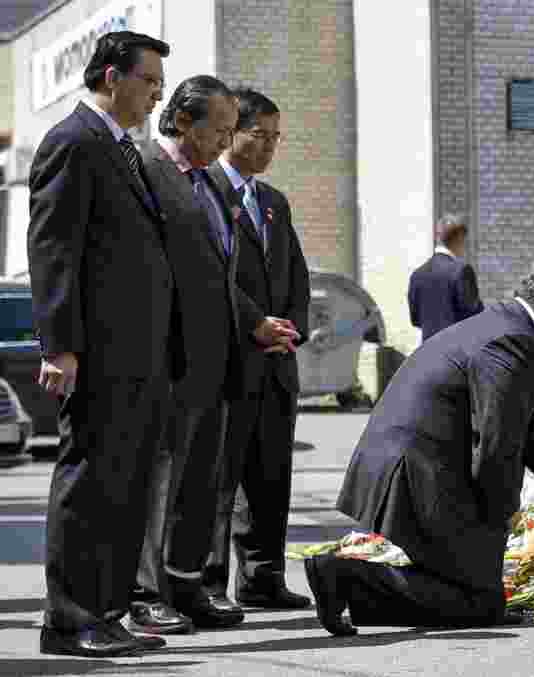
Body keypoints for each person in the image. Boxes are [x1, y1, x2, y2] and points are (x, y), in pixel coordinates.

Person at [306, 245, 534, 635]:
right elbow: (496, 443)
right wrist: (500, 517)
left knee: (470, 590)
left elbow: (530, 437)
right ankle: (342, 577)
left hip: (413, 462)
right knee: (477, 602)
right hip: (414, 471)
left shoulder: (507, 326)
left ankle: (345, 580)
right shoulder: (513, 340)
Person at [28, 31, 179, 657]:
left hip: (136, 356)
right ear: (112, 77)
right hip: (96, 353)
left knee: (124, 487)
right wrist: (59, 345)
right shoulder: (73, 142)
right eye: (148, 82)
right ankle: (70, 619)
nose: (155, 96)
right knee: (90, 483)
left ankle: (107, 610)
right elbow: (53, 249)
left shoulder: (121, 149)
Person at [130, 75, 298, 634]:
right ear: (183, 120)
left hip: (215, 361)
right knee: (161, 482)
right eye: (220, 130)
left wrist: (253, 324)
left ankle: (187, 583)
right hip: (169, 356)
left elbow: (222, 277)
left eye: (231, 129)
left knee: (200, 484)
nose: (224, 141)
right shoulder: (149, 172)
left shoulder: (213, 187)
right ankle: (144, 592)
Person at [203, 88, 312, 610]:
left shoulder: (274, 203)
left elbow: (295, 277)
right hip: (229, 360)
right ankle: (208, 583)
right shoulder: (204, 193)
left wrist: (291, 331)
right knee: (220, 479)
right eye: (258, 135)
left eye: (275, 138)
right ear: (231, 132)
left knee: (270, 478)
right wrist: (254, 325)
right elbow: (208, 278)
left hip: (276, 364)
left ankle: (263, 576)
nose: (269, 147)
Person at [407, 213, 484, 342]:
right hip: (457, 352)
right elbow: (474, 315)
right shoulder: (461, 271)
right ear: (460, 239)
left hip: (427, 351)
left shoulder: (417, 274)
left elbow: (415, 320)